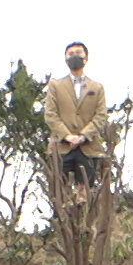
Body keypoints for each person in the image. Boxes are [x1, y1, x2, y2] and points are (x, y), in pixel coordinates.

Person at [43, 41, 107, 190]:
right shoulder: (55, 86)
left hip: (88, 147)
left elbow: (101, 116)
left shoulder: (97, 87)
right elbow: (50, 115)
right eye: (70, 54)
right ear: (65, 59)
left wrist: (83, 136)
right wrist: (67, 136)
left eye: (78, 53)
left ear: (86, 58)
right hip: (61, 147)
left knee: (85, 194)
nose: (74, 57)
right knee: (60, 193)